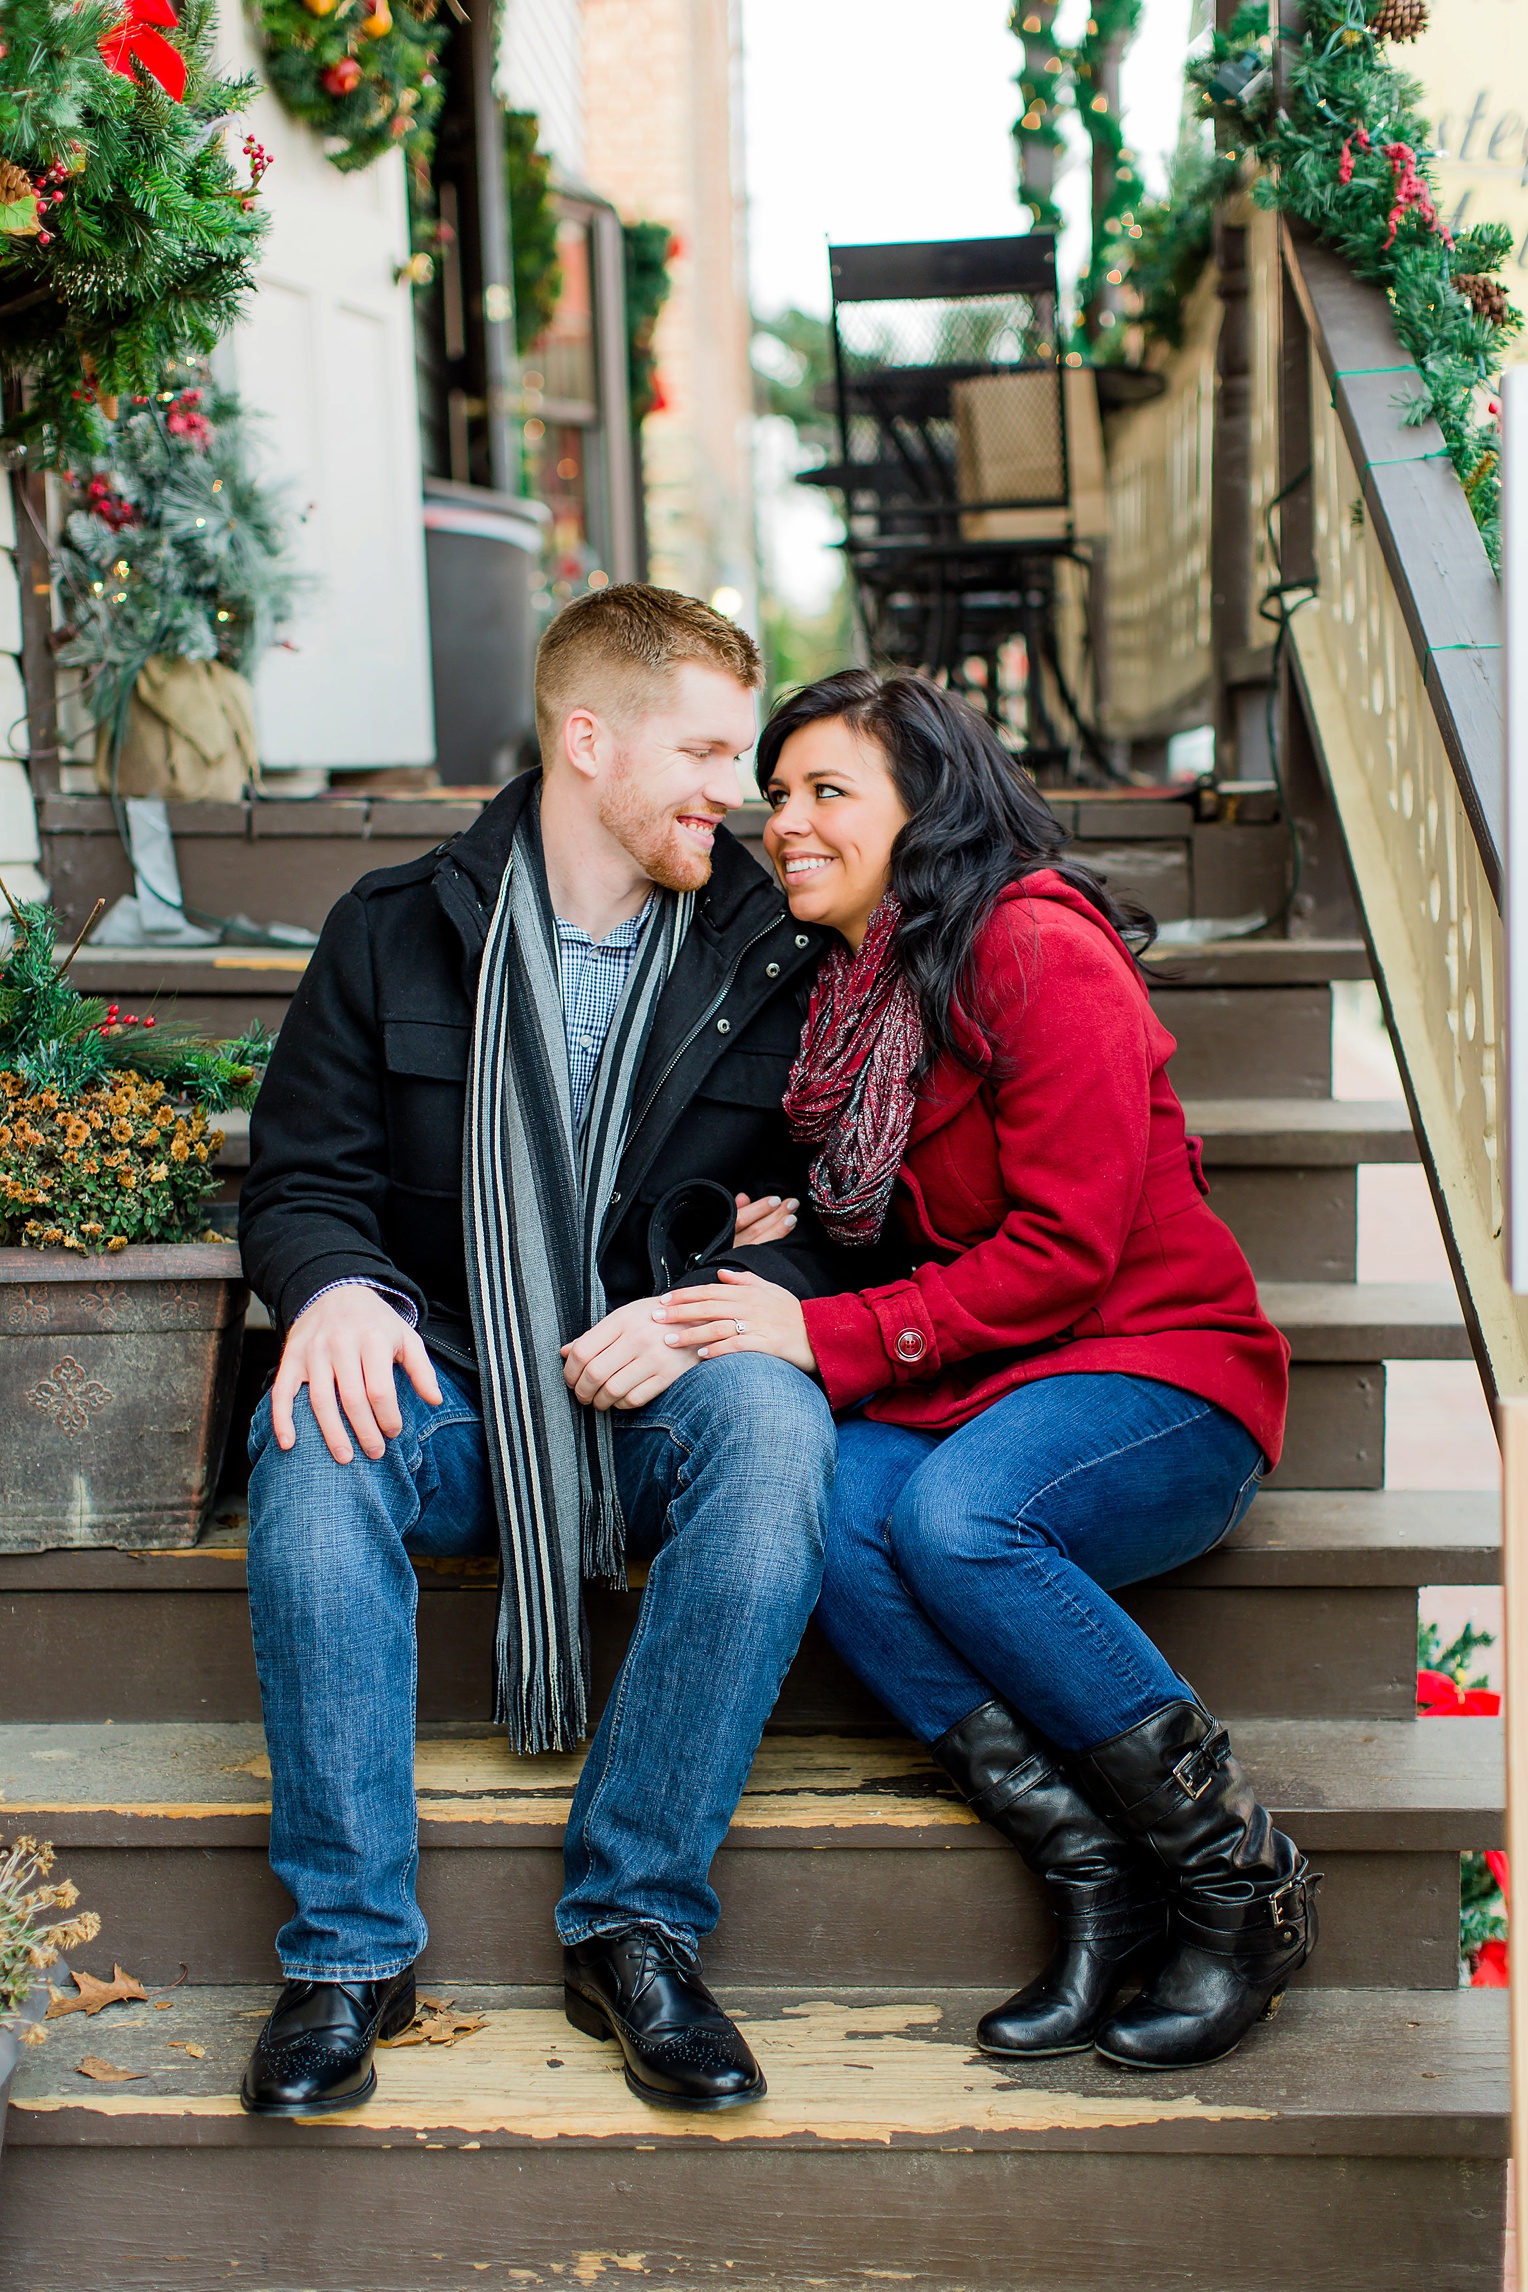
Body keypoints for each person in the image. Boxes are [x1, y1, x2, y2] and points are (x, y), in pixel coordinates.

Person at [236, 588, 895, 2119]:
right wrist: (332, 1287)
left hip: (659, 1381)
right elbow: (303, 1182)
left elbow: (842, 1216)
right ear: (586, 740)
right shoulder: (394, 931)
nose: (739, 795)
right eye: (710, 751)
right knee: (314, 1432)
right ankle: (348, 1954)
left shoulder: (775, 953)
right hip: (455, 1382)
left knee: (779, 1433)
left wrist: (708, 1296)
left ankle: (635, 1918)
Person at [651, 668, 1316, 2073]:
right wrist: (770, 1241)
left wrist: (825, 1336)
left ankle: (1238, 1882)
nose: (787, 822)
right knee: (826, 1508)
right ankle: (1094, 1876)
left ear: (927, 809)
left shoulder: (1032, 950)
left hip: (1162, 1377)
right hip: (1005, 1382)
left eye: (830, 791)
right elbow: (890, 1225)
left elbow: (1068, 1250)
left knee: (959, 1521)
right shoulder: (858, 992)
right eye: (778, 795)